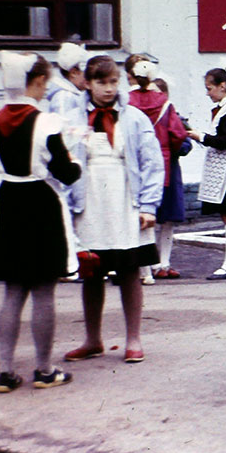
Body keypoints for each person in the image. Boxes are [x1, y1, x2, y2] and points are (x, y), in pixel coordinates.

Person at [0, 53, 81, 393]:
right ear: (39, 81)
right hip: (39, 202)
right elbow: (66, 173)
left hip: (10, 200)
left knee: (13, 291)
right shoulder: (46, 122)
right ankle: (43, 368)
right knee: (43, 289)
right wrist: (76, 161)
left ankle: (6, 370)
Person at [63, 55, 164, 364]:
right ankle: (92, 339)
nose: (108, 89)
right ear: (87, 83)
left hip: (124, 200)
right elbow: (63, 161)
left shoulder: (134, 118)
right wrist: (68, 206)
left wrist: (148, 205)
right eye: (100, 82)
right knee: (92, 271)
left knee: (129, 269)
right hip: (89, 201)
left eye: (113, 82)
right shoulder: (74, 117)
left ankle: (133, 338)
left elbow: (151, 163)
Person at [124, 55, 188, 285]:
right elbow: (178, 134)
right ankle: (159, 264)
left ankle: (142, 268)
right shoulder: (164, 102)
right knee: (162, 217)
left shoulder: (126, 101)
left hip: (131, 162)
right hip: (163, 161)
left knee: (135, 213)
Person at [189, 64, 226, 279]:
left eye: (210, 88)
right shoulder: (225, 107)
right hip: (225, 165)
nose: (207, 93)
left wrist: (201, 137)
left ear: (222, 86)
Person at [150, 75, 190, 278]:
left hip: (170, 171)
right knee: (150, 218)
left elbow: (185, 143)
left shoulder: (172, 114)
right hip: (151, 171)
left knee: (168, 220)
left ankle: (164, 263)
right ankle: (151, 263)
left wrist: (175, 144)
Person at [46, 42, 90, 116]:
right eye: (86, 73)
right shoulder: (64, 97)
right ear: (74, 73)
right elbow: (63, 122)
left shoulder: (74, 94)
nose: (90, 77)